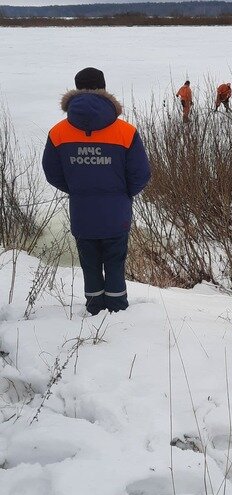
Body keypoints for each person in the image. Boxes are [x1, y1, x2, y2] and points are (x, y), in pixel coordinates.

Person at [42, 67, 151, 315]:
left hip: (82, 212)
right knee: (114, 264)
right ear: (103, 88)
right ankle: (117, 312)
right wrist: (123, 194)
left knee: (90, 266)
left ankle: (94, 310)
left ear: (77, 88)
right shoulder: (126, 131)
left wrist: (78, 190)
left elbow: (52, 173)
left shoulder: (58, 132)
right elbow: (141, 174)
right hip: (116, 213)